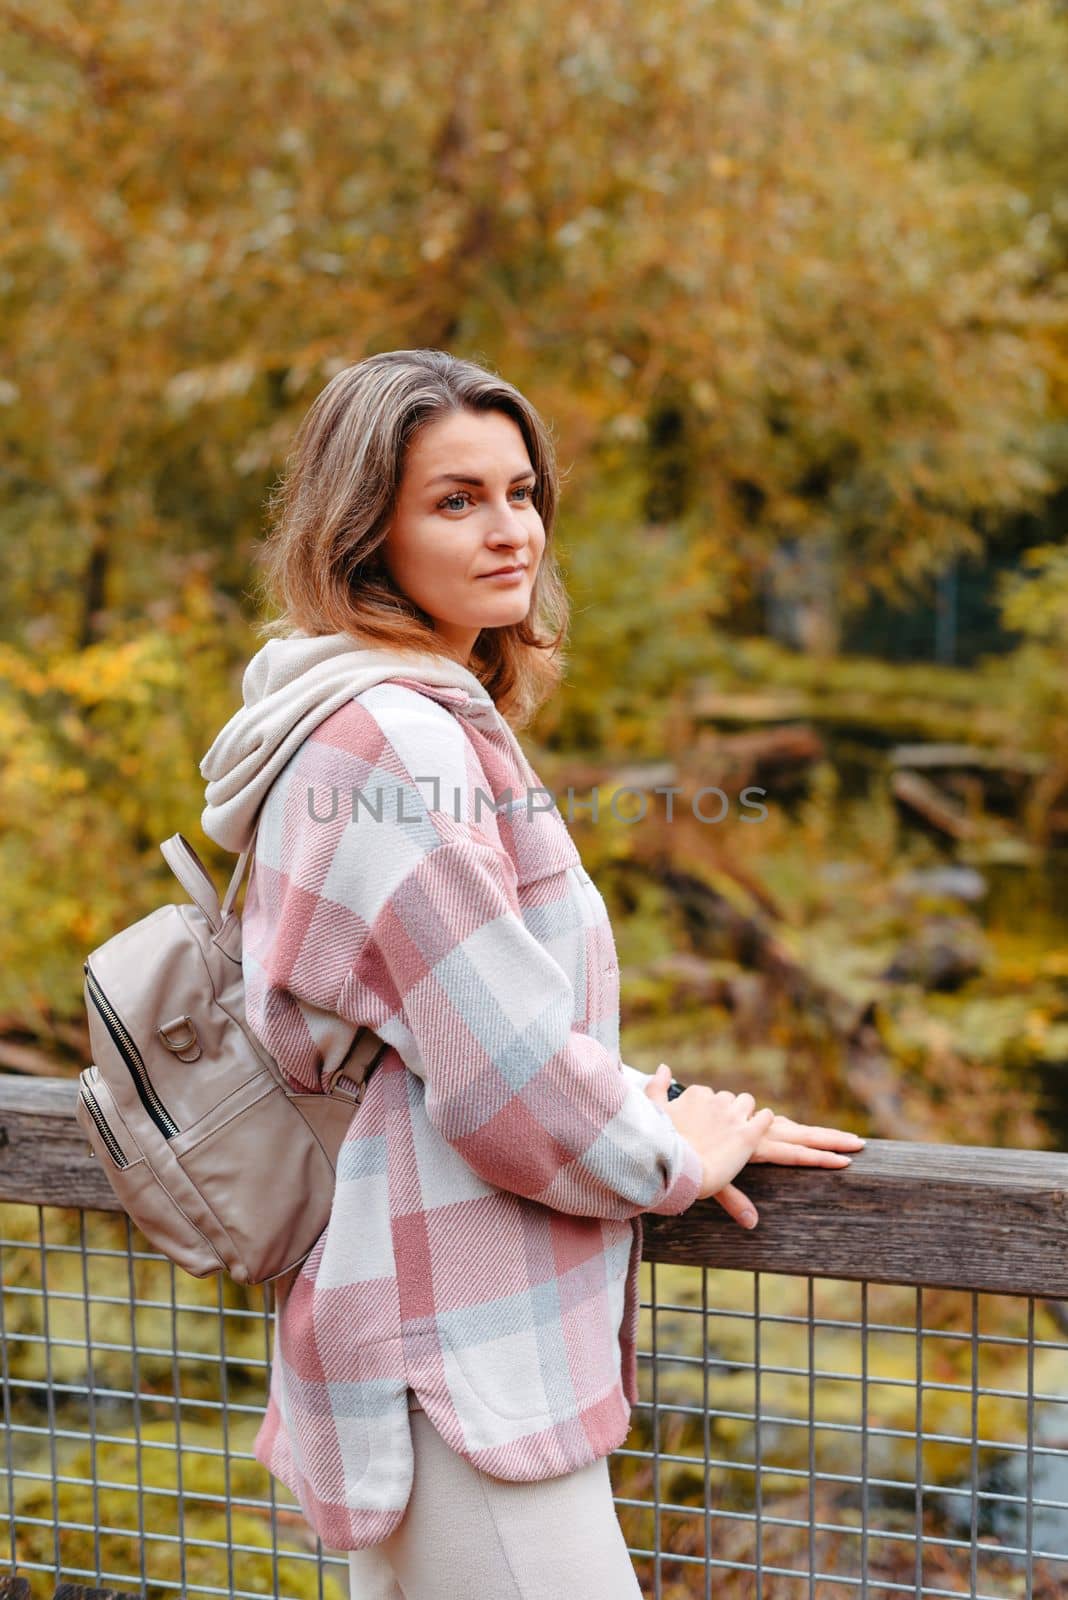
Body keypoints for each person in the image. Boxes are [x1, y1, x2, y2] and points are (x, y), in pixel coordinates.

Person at [198, 349, 864, 1600]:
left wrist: (650, 1107)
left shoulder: (384, 716)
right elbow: (504, 1082)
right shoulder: (391, 739)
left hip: (425, 1325)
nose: (513, 532)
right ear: (364, 532)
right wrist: (677, 1152)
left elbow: (461, 1026)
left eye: (522, 491)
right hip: (452, 1350)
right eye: (456, 500)